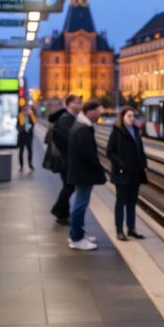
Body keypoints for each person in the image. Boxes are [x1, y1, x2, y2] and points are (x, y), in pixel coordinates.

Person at [67, 99, 106, 250]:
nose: (99, 116)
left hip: (80, 172)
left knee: (80, 203)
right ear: (90, 112)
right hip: (83, 173)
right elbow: (89, 154)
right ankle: (76, 238)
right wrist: (99, 169)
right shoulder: (83, 129)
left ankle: (78, 233)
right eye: (97, 113)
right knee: (80, 204)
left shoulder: (80, 125)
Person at [105, 106, 147, 241]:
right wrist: (121, 164)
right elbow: (109, 152)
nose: (132, 118)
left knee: (132, 202)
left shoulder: (135, 131)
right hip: (122, 173)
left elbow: (140, 149)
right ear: (122, 117)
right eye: (129, 116)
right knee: (121, 202)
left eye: (133, 116)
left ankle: (131, 228)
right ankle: (119, 230)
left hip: (135, 172)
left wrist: (144, 164)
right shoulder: (117, 132)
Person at [48, 95, 81, 225]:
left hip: (65, 158)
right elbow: (67, 139)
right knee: (70, 186)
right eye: (76, 102)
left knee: (67, 185)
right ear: (68, 104)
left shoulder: (69, 116)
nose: (79, 104)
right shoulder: (66, 118)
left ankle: (62, 214)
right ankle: (58, 210)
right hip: (66, 159)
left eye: (80, 102)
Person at [17, 104, 37, 171]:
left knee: (30, 151)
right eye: (26, 109)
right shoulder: (20, 115)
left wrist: (31, 115)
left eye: (28, 109)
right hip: (22, 136)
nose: (27, 110)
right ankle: (21, 166)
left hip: (29, 136)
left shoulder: (31, 116)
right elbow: (17, 126)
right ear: (23, 110)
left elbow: (34, 123)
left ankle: (30, 165)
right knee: (21, 151)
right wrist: (23, 129)